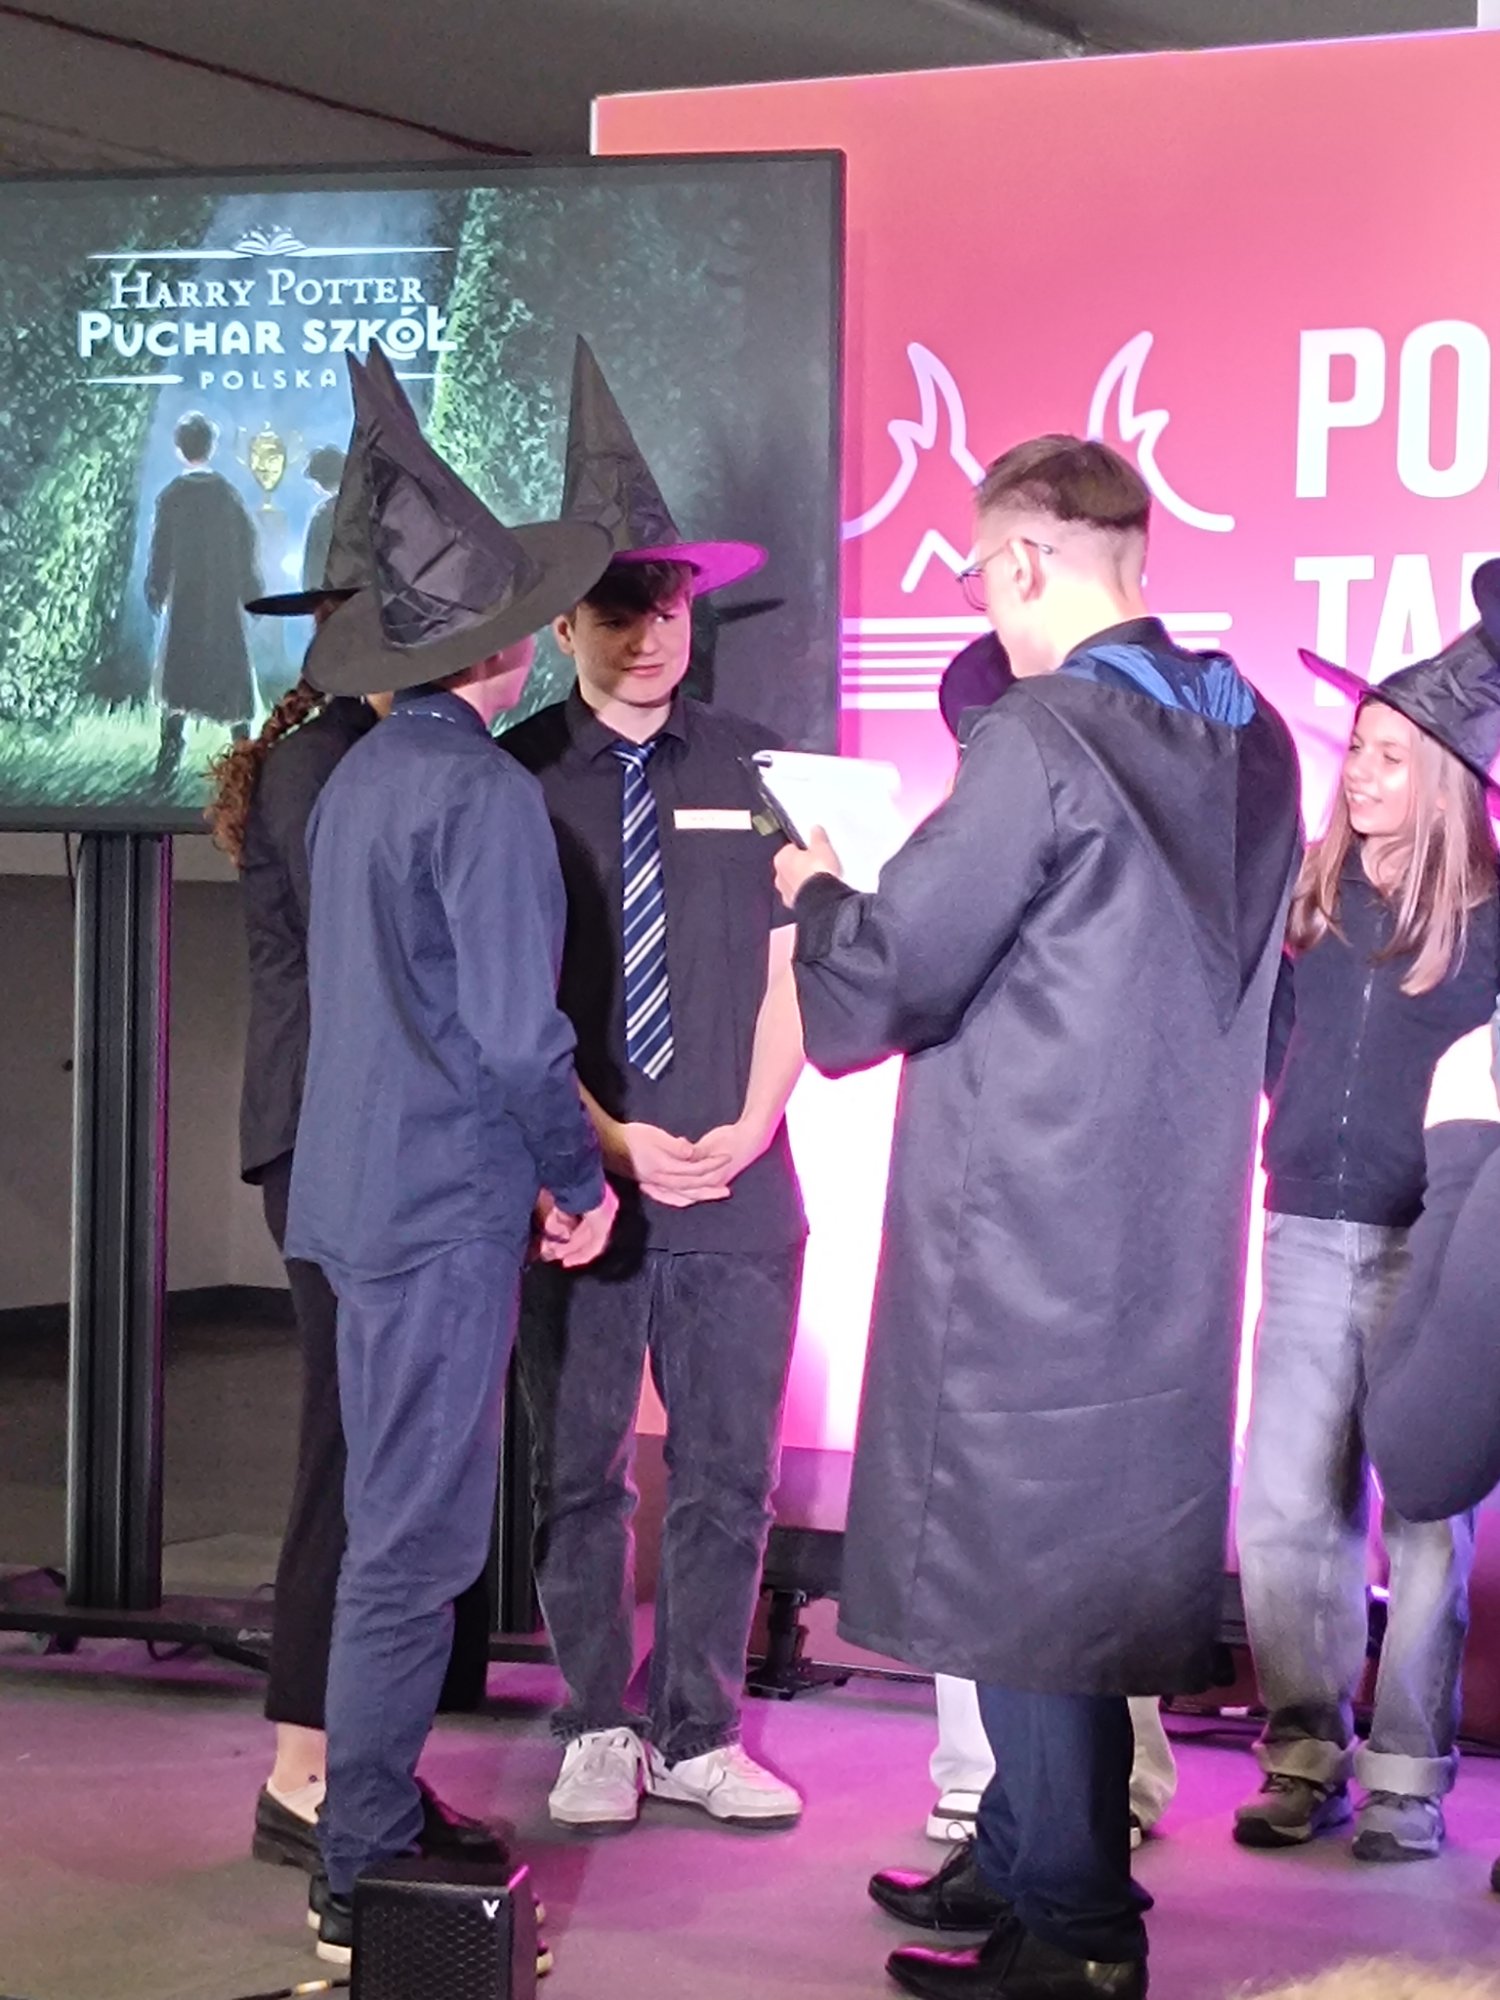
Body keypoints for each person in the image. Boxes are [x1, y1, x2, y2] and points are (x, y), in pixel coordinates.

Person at [776, 435, 1301, 2000]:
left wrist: (819, 893)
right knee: (1076, 1567)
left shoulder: (1043, 735)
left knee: (1019, 1580)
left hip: (1022, 1221)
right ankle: (1019, 1863)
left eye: (979, 574)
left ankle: (1075, 1931)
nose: (983, 606)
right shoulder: (1254, 734)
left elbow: (895, 971)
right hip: (1164, 1222)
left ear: (1021, 563)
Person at [282, 352, 617, 1968]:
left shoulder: (358, 779)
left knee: (389, 1535)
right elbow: (511, 1038)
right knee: (414, 1549)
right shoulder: (479, 798)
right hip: (434, 1218)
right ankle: (360, 1869)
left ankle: (368, 1825)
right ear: (506, 645)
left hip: (356, 1208)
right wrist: (580, 1182)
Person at [504, 338, 807, 1832]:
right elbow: (501, 1008)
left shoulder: (760, 768)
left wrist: (750, 1125)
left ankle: (700, 1728)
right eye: (618, 610)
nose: (647, 636)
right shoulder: (511, 778)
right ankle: (593, 1722)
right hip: (581, 1185)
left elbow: (805, 960)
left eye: (668, 606)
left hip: (741, 1184)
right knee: (578, 1471)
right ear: (566, 622)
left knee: (727, 1473)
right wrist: (612, 1144)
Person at [207, 386, 496, 1877]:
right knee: (351, 1461)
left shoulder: (337, 756)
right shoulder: (339, 768)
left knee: (365, 1456)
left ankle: (344, 1766)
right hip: (344, 1147)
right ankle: (311, 1774)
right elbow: (395, 976)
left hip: (339, 1142)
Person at [1233, 580, 1500, 1865]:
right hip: (1303, 1226)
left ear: (1446, 780)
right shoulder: (1313, 895)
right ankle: (1306, 1750)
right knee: (1284, 1506)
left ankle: (1405, 1775)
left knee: (1425, 1518)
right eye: (1358, 746)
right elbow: (1272, 1038)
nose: (1360, 771)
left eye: (1392, 755)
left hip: (1433, 1245)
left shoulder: (1492, 921)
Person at [924, 635, 1179, 1857]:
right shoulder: (982, 837)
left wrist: (835, 905)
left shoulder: (1114, 823)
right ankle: (1007, 1828)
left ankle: (1080, 1849)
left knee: (1063, 1546)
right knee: (992, 1535)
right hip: (1019, 1229)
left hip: (1071, 1235)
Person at [145, 410, 263, 788]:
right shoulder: (228, 496)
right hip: (223, 602)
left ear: (180, 448)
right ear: (211, 447)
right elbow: (246, 547)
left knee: (179, 677)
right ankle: (244, 758)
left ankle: (168, 759)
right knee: (231, 674)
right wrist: (251, 591)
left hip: (186, 602)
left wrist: (156, 587)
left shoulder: (172, 497)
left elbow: (161, 549)